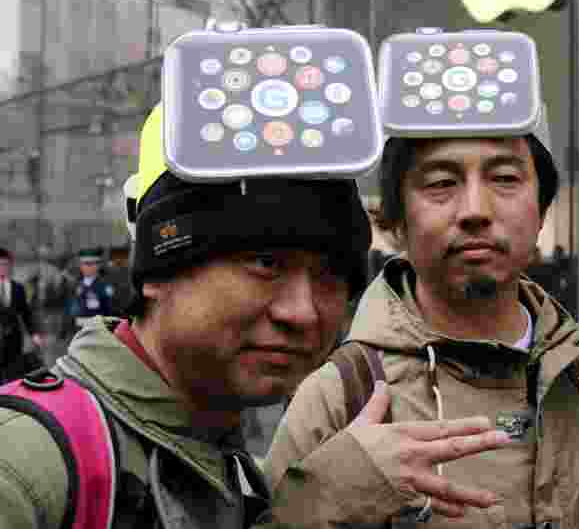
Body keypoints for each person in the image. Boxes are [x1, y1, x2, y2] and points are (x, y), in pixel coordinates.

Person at [0, 104, 510, 528]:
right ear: (156, 273)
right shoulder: (23, 466)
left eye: (331, 276)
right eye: (265, 264)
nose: (304, 312)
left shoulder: (234, 469)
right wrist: (315, 508)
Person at [265, 66, 579, 526]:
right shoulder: (341, 394)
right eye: (441, 183)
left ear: (542, 209)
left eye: (505, 178)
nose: (475, 210)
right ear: (397, 221)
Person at [0, 247, 42, 383]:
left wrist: (34, 334)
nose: (2, 268)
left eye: (5, 264)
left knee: (14, 372)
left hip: (14, 338)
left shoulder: (18, 288)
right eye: (0, 264)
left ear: (10, 266)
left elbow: (25, 313)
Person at [65, 247, 118, 332]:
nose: (88, 267)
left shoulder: (104, 287)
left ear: (98, 265)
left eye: (92, 264)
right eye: (85, 264)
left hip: (99, 330)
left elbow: (110, 311)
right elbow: (69, 311)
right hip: (78, 331)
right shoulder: (75, 286)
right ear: (80, 266)